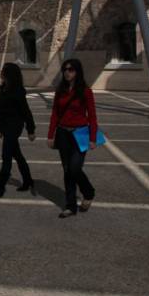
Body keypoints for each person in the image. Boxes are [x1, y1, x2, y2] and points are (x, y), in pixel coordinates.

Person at [47, 58, 97, 218]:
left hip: (80, 132)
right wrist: (50, 135)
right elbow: (55, 113)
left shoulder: (86, 91)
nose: (67, 73)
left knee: (75, 168)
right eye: (65, 70)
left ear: (77, 72)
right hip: (62, 133)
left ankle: (88, 191)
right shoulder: (60, 90)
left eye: (71, 70)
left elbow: (93, 116)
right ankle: (70, 206)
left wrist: (93, 138)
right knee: (67, 170)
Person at [0, 62, 35, 199]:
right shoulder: (3, 88)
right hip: (5, 125)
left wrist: (30, 129)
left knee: (6, 157)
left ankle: (0, 187)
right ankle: (28, 180)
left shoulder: (18, 91)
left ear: (9, 74)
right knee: (17, 154)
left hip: (15, 126)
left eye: (3, 71)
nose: (1, 73)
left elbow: (26, 111)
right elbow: (0, 111)